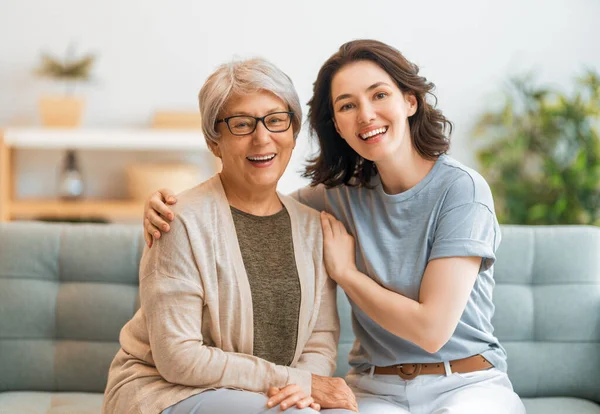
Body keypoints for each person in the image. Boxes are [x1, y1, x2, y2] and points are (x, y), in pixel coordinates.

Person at [142, 40, 526, 413]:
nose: (366, 115)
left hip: (465, 382)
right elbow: (253, 203)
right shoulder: (333, 200)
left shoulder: (462, 190)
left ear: (410, 101)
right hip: (379, 388)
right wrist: (164, 205)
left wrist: (347, 273)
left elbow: (431, 330)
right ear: (338, 126)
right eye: (347, 105)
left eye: (379, 95)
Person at [102, 58, 358, 414]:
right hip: (167, 392)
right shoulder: (178, 221)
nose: (262, 137)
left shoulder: (314, 227)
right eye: (241, 124)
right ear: (213, 140)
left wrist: (302, 390)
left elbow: (320, 341)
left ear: (293, 130)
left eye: (276, 120)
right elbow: (179, 357)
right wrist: (295, 384)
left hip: (264, 396)